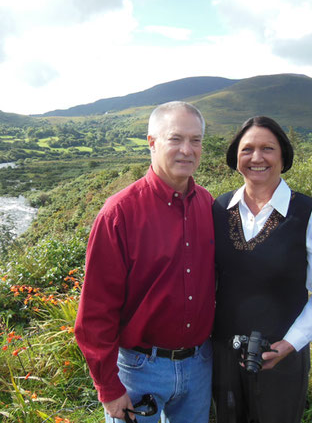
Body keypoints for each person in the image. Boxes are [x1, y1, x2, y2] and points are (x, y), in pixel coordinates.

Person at [74, 101, 215, 423]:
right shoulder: (119, 213)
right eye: (175, 139)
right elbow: (96, 310)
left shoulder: (208, 204)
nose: (187, 150)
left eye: (195, 140)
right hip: (140, 371)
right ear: (152, 142)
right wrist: (108, 389)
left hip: (199, 365)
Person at [212, 116, 312, 423]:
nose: (257, 158)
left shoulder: (310, 214)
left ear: (283, 156)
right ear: (236, 158)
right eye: (247, 149)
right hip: (223, 357)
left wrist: (291, 343)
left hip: (281, 357)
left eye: (267, 148)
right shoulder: (217, 209)